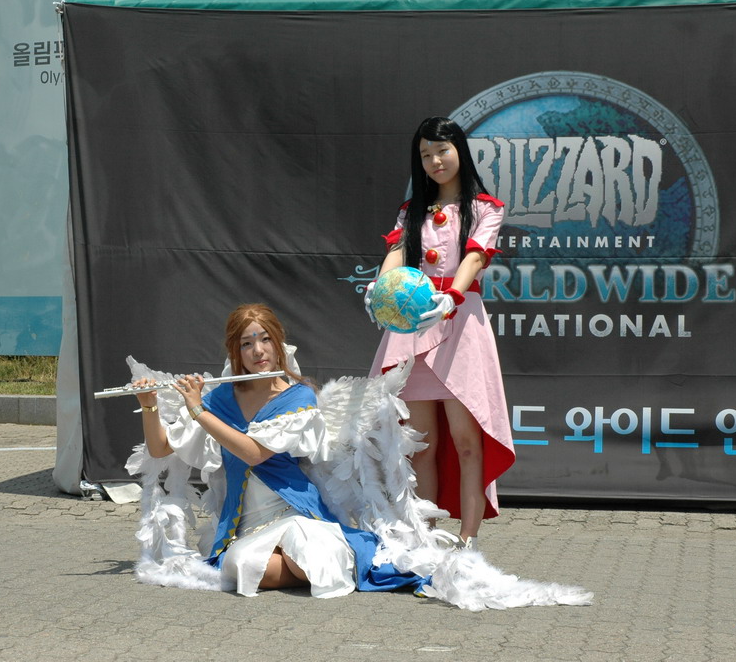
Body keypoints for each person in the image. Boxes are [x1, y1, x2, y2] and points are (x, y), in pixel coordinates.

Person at [130, 303, 427, 598]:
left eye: (265, 339)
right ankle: (318, 564)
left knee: (313, 556)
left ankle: (324, 559)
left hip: (295, 512)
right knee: (241, 565)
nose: (258, 351)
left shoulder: (298, 397)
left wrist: (199, 411)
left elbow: (254, 453)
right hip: (247, 525)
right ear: (236, 351)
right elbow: (159, 448)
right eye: (246, 344)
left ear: (278, 343)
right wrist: (149, 405)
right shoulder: (220, 399)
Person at [366, 116, 516, 550]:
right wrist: (380, 287)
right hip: (413, 326)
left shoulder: (486, 208)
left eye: (442, 151)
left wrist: (451, 296)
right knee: (421, 444)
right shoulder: (411, 210)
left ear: (460, 151)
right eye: (425, 154)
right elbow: (398, 251)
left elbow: (475, 257)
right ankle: (424, 539)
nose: (435, 161)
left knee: (468, 443)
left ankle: (467, 541)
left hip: (460, 323)